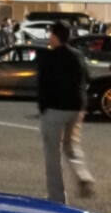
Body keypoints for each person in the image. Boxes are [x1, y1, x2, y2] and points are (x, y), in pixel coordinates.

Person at [36, 22, 95, 203]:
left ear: (55, 36)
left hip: (55, 108)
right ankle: (83, 176)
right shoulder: (78, 55)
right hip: (76, 107)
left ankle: (57, 197)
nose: (49, 38)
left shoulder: (49, 57)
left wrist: (43, 107)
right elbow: (88, 78)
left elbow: (43, 84)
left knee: (52, 154)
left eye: (50, 34)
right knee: (71, 146)